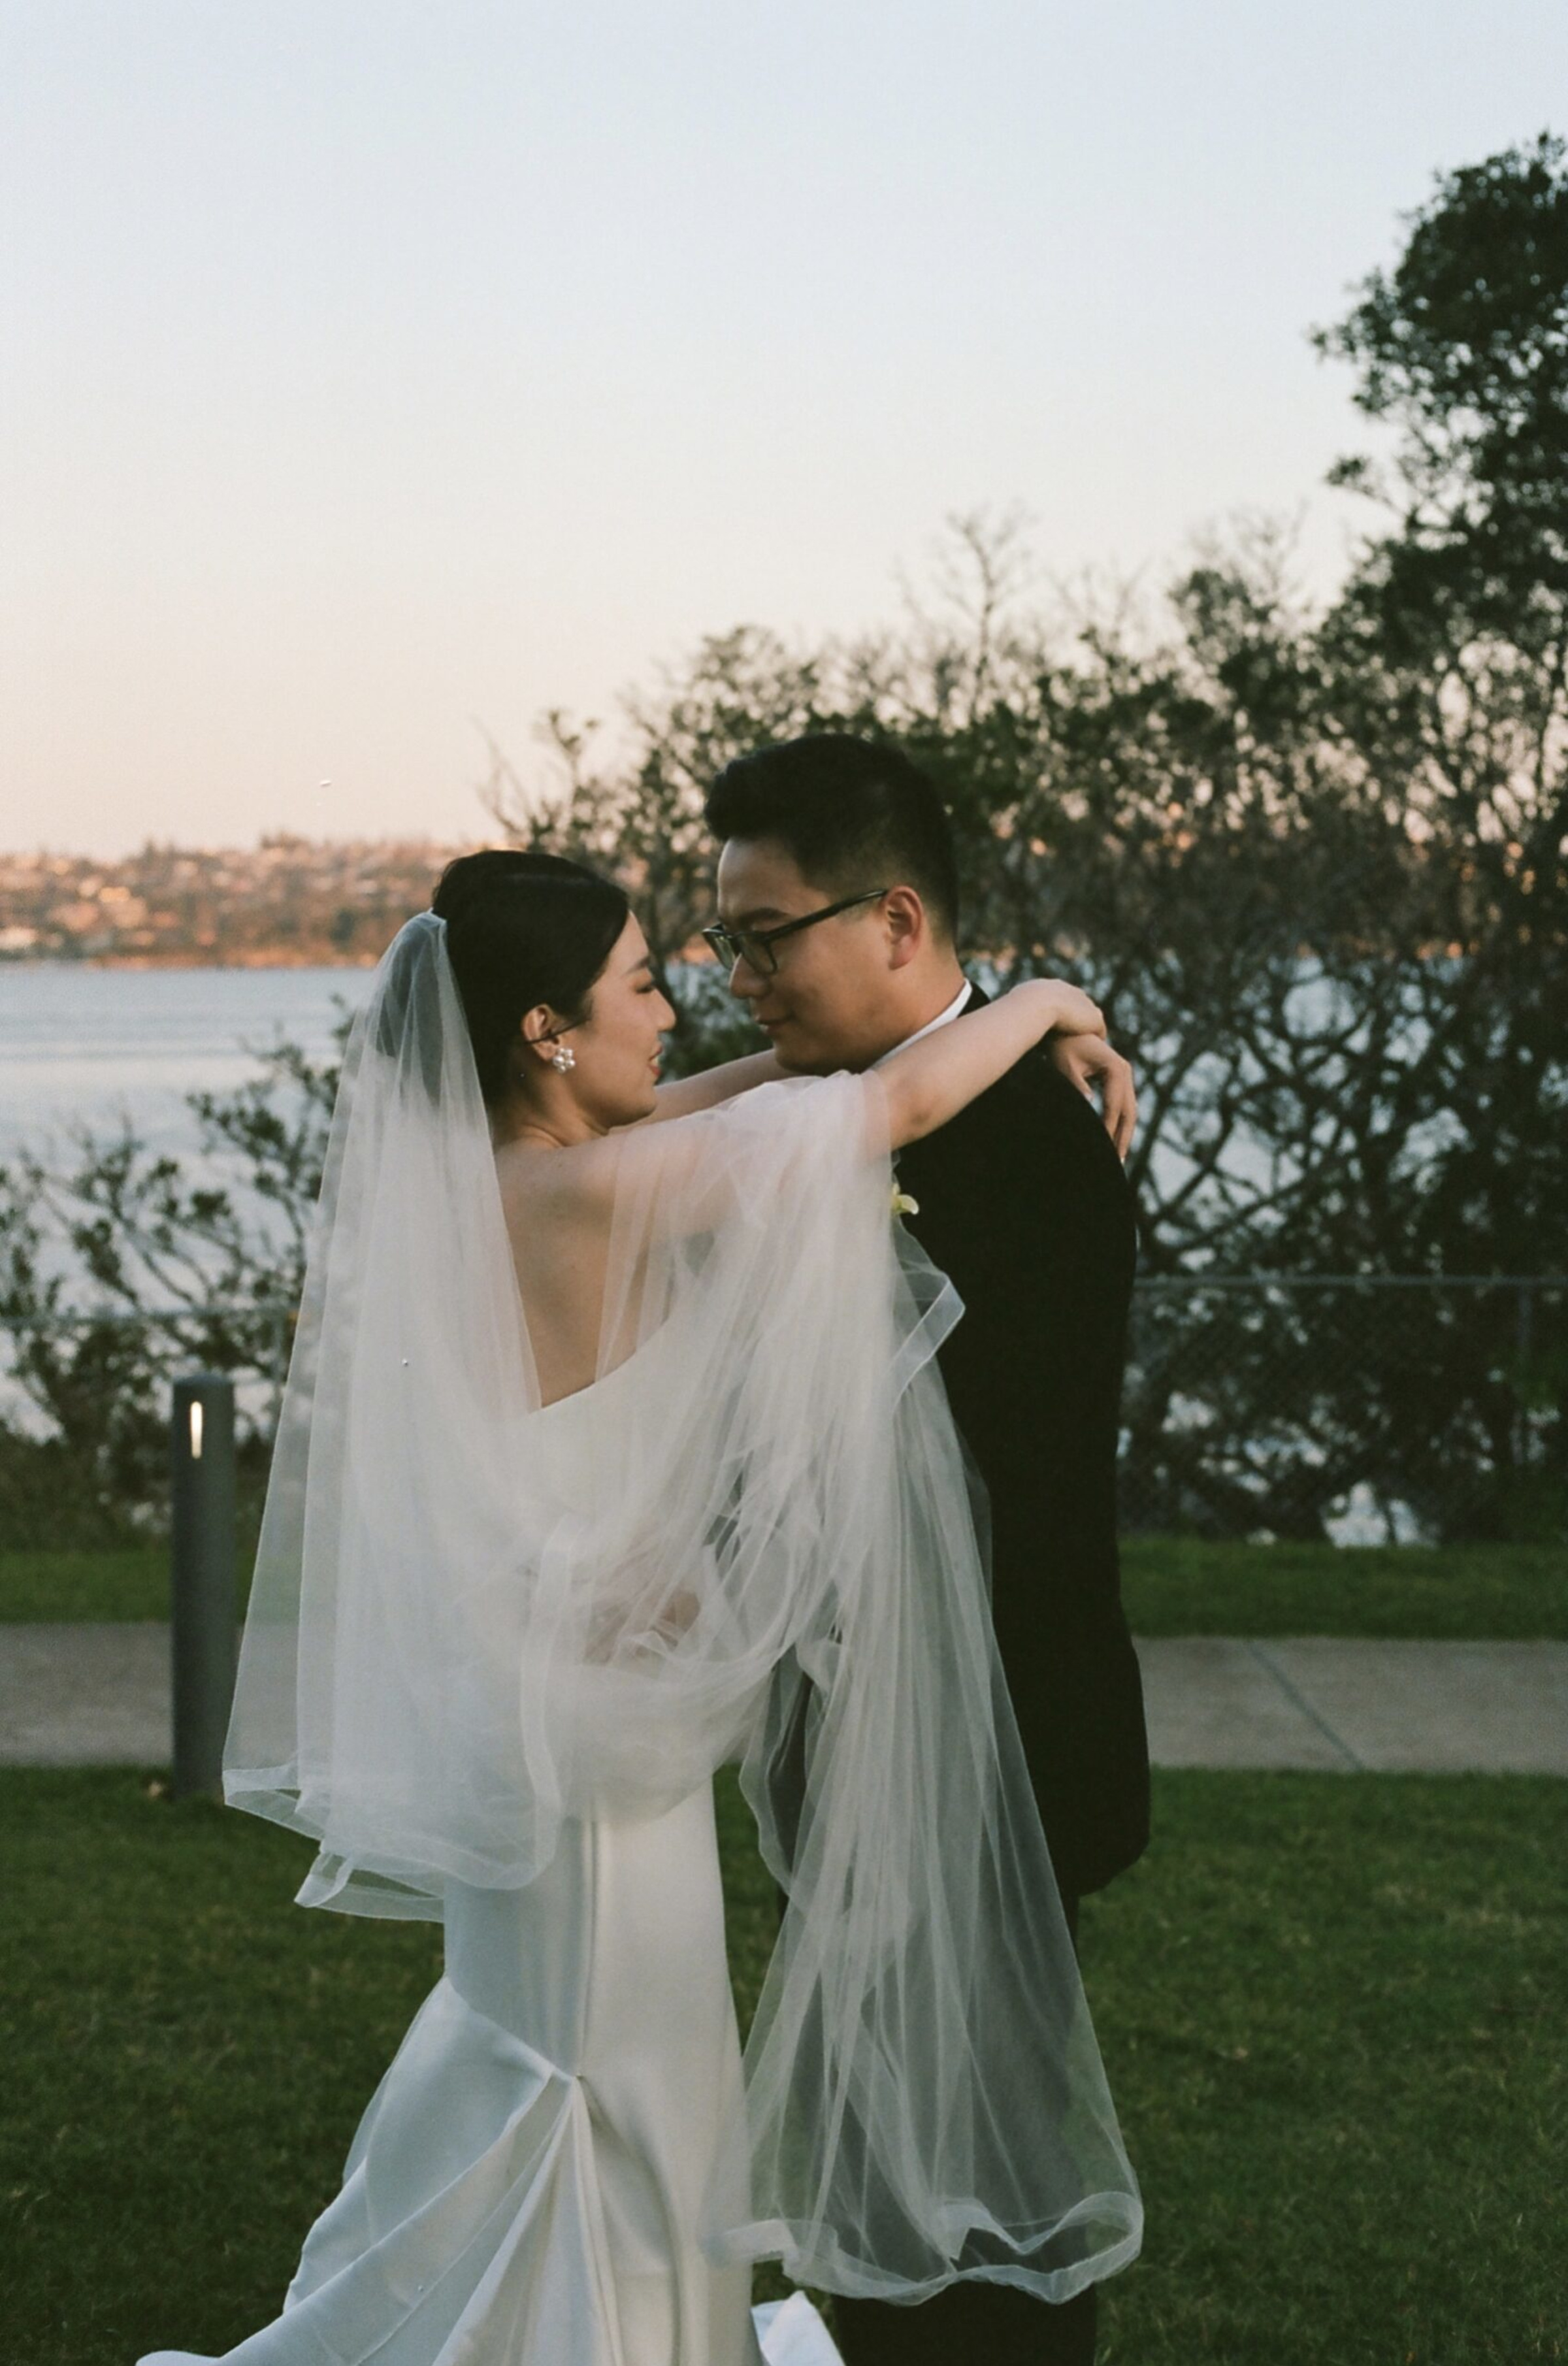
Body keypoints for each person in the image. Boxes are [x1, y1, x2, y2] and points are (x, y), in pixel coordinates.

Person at [137, 849, 1141, 2366]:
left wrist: (851, 1036)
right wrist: (1051, 996)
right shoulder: (589, 1186)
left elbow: (760, 1087)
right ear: (551, 1029)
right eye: (643, 985)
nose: (674, 1009)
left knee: (589, 2045)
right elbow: (874, 1113)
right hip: (594, 1745)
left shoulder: (512, 1165)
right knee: (624, 2059)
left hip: (556, 1703)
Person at [702, 736, 1151, 2366]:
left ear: (895, 918)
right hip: (845, 1741)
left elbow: (1000, 1471)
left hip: (995, 1748)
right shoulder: (829, 1113)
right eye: (723, 941)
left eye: (767, 935)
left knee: (989, 2201)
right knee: (882, 2172)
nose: (737, 975)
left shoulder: (1029, 1141)